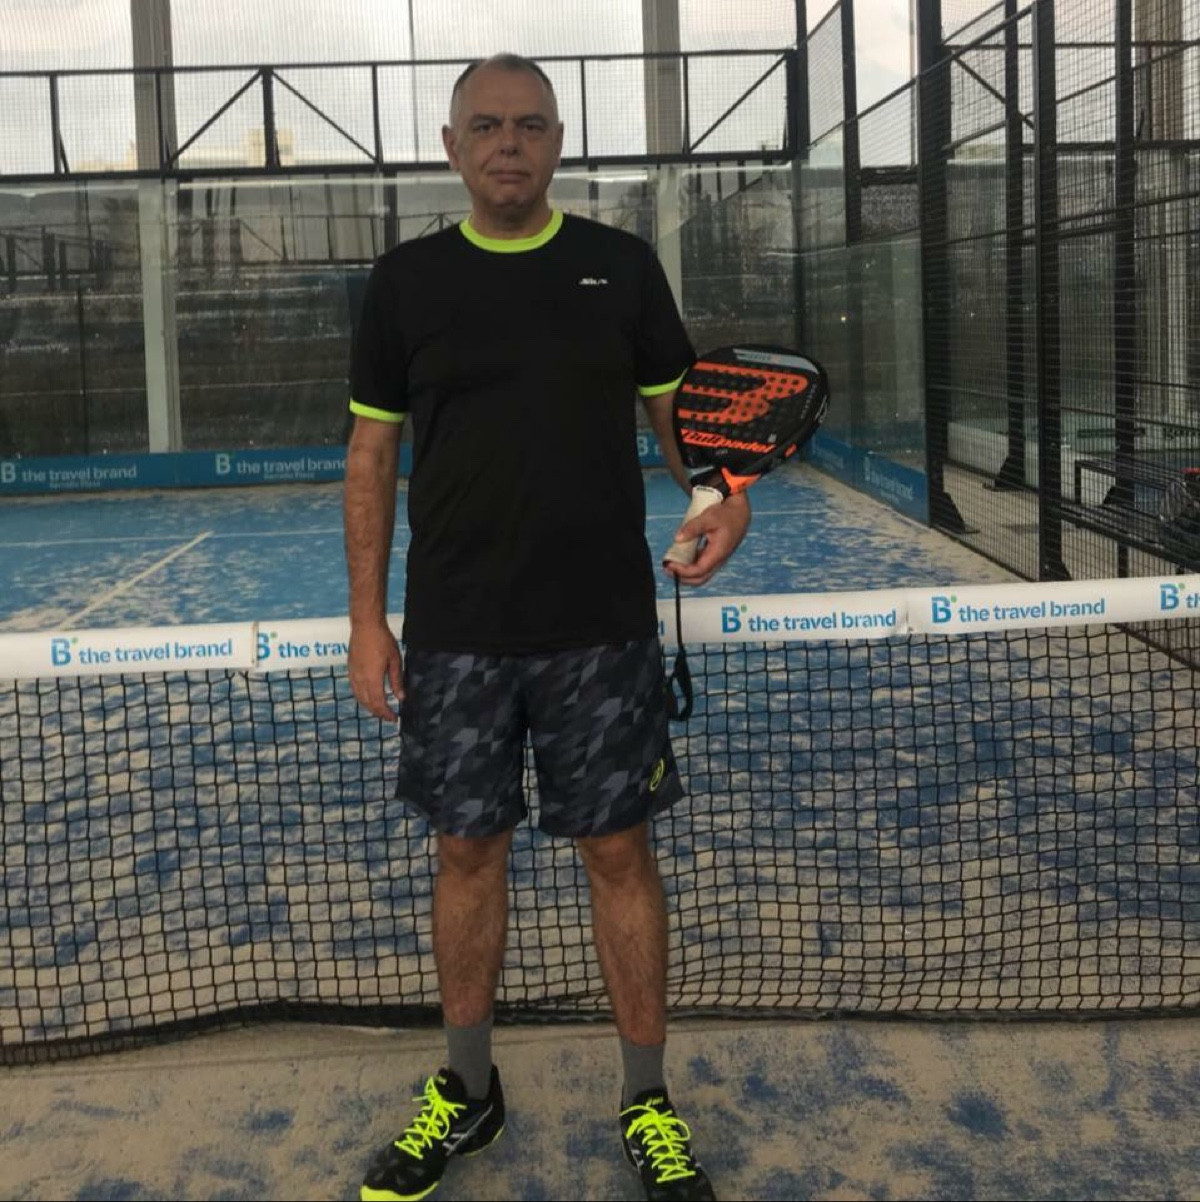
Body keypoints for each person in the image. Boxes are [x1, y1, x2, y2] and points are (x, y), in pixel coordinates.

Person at [344, 53, 750, 1202]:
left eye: (528, 124)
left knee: (619, 855)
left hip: (602, 630)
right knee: (466, 853)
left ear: (559, 140)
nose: (508, 142)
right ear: (452, 145)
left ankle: (646, 1098)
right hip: (455, 633)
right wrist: (368, 618)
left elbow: (683, 422)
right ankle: (469, 1090)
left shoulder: (621, 267)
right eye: (486, 125)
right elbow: (371, 452)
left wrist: (723, 496)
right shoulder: (406, 282)